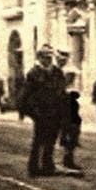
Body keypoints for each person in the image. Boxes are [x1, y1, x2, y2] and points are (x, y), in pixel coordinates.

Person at [18, 44, 65, 177]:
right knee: (38, 140)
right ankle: (33, 167)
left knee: (51, 140)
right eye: (45, 57)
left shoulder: (57, 72)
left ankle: (47, 166)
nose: (48, 60)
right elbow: (26, 94)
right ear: (39, 58)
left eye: (49, 57)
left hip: (55, 112)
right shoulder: (33, 73)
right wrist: (28, 111)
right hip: (41, 112)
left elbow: (61, 91)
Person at [60, 66, 82, 171]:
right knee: (68, 139)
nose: (72, 78)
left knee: (73, 140)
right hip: (66, 117)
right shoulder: (62, 87)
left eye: (73, 76)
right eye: (70, 75)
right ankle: (67, 160)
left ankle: (69, 160)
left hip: (74, 117)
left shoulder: (71, 87)